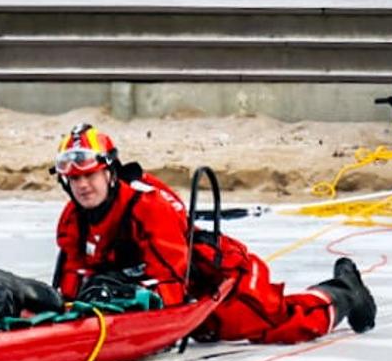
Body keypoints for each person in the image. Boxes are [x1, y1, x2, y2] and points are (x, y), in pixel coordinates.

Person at [50, 123, 374, 343]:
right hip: (145, 293)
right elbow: (70, 279)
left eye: (89, 176)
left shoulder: (147, 207)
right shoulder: (72, 219)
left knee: (282, 324)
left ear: (109, 172)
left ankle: (346, 292)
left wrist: (124, 301)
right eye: (74, 180)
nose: (82, 186)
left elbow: (171, 285)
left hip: (214, 278)